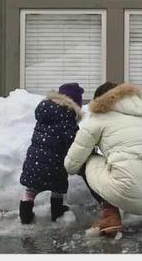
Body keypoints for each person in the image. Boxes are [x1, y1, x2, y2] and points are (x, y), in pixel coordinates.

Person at [64, 82, 142, 236]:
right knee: (137, 160)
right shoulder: (140, 117)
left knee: (86, 159)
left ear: (99, 101)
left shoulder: (99, 119)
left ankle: (110, 216)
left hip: (129, 190)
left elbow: (72, 164)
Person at [19, 82, 84, 224]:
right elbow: (72, 141)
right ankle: (57, 212)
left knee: (30, 190)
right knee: (58, 188)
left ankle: (25, 216)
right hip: (55, 163)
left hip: (34, 160)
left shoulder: (45, 111)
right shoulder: (67, 115)